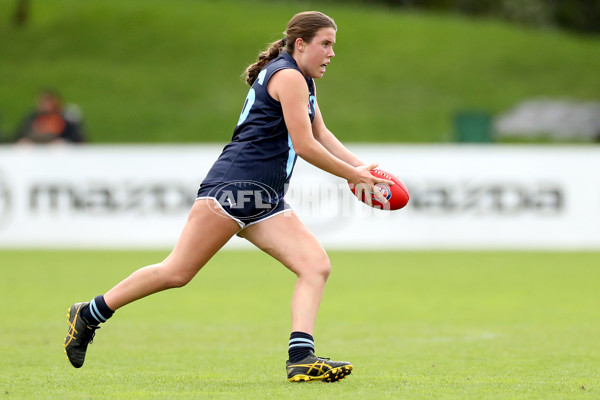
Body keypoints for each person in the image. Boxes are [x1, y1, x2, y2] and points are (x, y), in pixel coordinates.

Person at [63, 11, 392, 382]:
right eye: (326, 44)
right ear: (301, 44)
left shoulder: (304, 82)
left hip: (265, 198)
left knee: (315, 266)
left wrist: (367, 171)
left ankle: (301, 358)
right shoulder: (288, 76)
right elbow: (304, 146)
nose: (332, 53)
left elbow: (321, 133)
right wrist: (354, 175)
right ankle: (89, 313)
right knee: (177, 272)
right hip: (234, 188)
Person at [15, 89, 85, 144]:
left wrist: (66, 142)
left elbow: (77, 139)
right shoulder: (33, 118)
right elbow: (19, 135)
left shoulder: (65, 119)